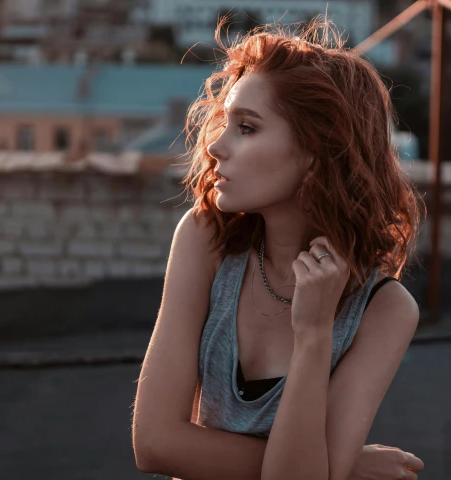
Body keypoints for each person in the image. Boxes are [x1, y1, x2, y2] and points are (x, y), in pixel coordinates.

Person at [132, 18, 427, 480]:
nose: (215, 146)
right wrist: (340, 469)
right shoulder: (206, 241)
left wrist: (313, 333)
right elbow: (154, 444)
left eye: (247, 128)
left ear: (315, 154)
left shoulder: (384, 310)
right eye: (226, 122)